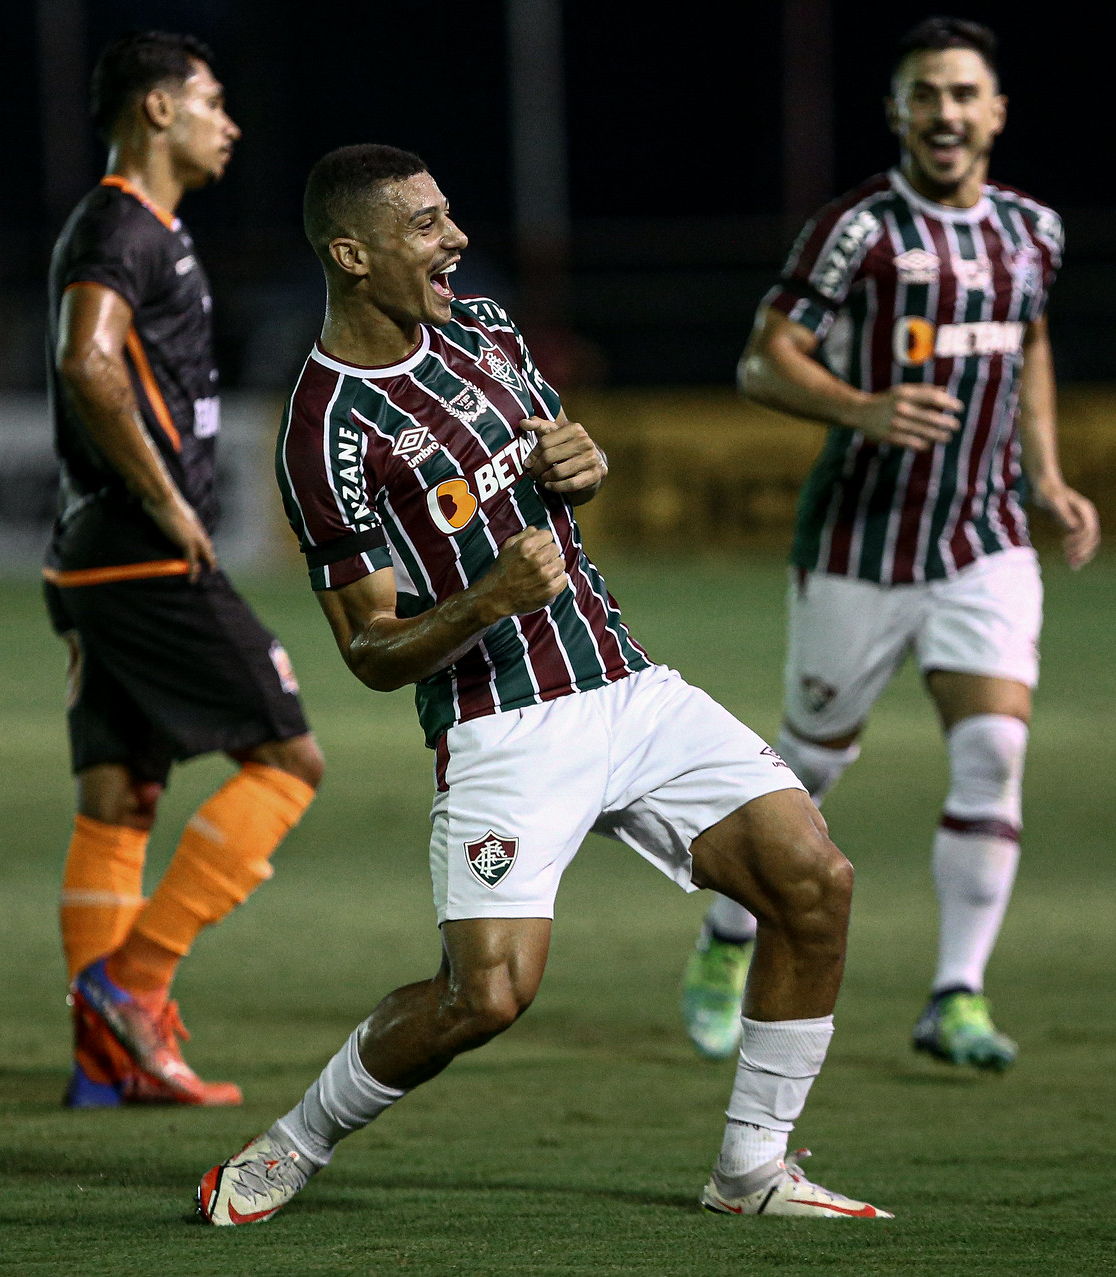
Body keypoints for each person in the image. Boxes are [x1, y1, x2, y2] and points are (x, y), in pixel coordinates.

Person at [193, 144, 888, 1224]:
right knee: (488, 997)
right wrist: (484, 601)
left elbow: (564, 460)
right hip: (500, 724)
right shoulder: (322, 431)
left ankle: (751, 1169)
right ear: (353, 254)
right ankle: (293, 1144)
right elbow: (369, 652)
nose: (453, 238)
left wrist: (584, 464)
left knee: (815, 883)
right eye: (424, 225)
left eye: (447, 215)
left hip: (621, 681)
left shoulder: (484, 329)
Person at [678, 17, 1101, 1073]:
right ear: (898, 113)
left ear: (995, 111)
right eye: (924, 95)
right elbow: (761, 363)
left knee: (995, 750)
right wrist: (861, 408)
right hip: (860, 542)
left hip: (986, 538)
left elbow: (1032, 341)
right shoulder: (857, 231)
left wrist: (1045, 476)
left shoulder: (1033, 232)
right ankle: (729, 934)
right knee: (809, 767)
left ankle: (954, 993)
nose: (945, 113)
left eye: (963, 94)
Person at [42, 30, 325, 1109]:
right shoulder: (121, 224)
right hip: (141, 552)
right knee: (289, 762)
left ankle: (104, 1069)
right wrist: (166, 498)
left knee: (119, 798)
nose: (230, 122)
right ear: (158, 109)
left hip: (90, 558)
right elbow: (86, 359)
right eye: (212, 100)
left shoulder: (150, 229)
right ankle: (134, 987)